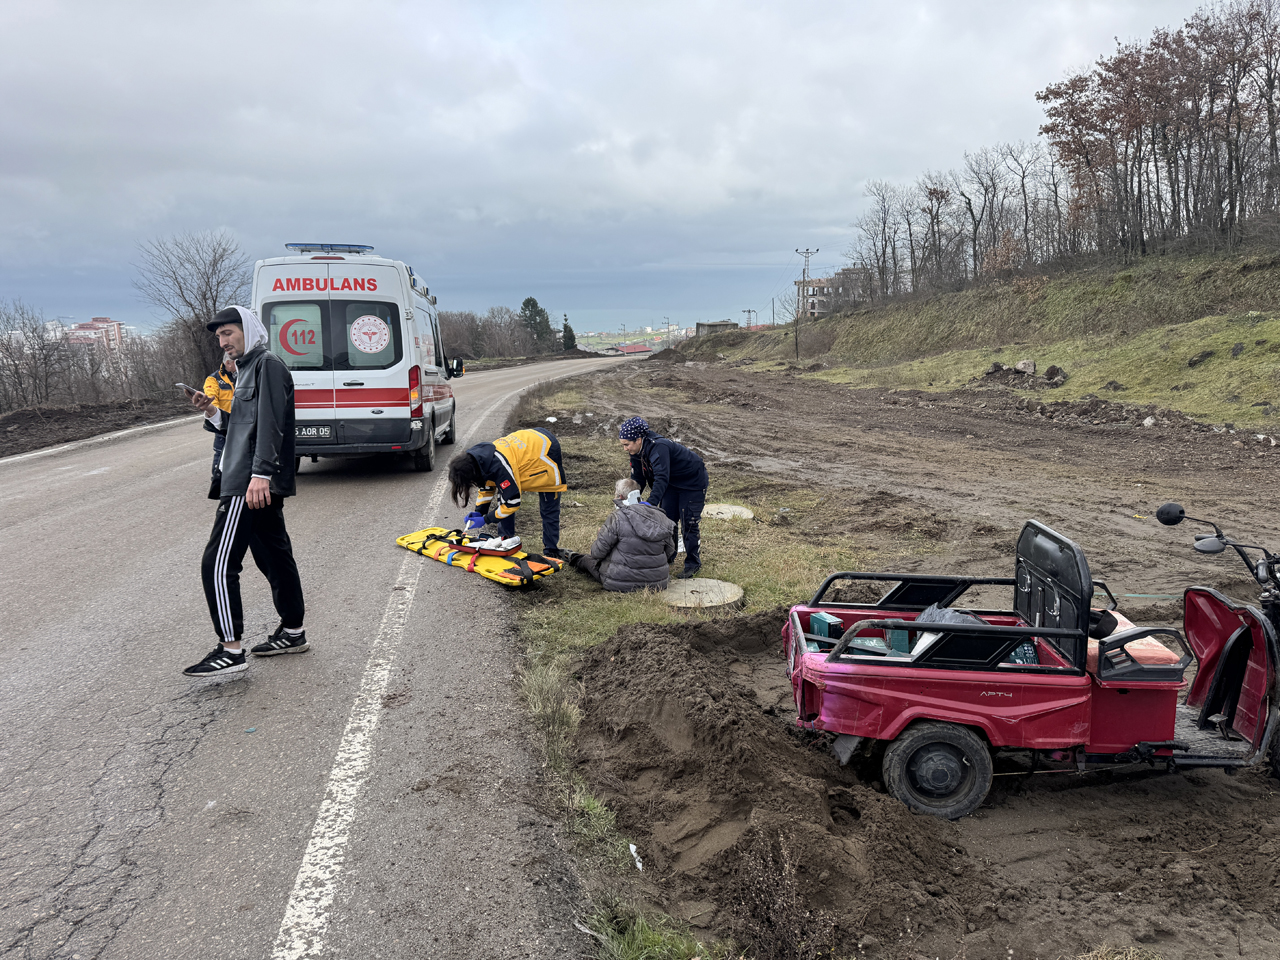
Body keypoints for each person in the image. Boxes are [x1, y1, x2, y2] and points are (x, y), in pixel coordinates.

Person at [184, 305, 307, 676]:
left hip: (248, 482)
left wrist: (261, 475)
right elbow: (240, 428)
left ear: (248, 330)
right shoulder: (245, 370)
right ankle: (293, 631)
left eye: (229, 333)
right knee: (273, 557)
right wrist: (211, 413)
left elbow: (271, 425)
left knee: (218, 564)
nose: (223, 342)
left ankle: (230, 650)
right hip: (251, 478)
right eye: (219, 336)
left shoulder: (266, 364)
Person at [448, 427, 567, 558]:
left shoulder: (500, 466)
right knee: (504, 499)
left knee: (548, 508)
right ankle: (506, 542)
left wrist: (486, 519)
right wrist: (480, 511)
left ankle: (551, 551)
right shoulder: (478, 460)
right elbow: (487, 484)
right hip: (529, 440)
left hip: (546, 451)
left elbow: (512, 502)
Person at [618, 416, 708, 579]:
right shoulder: (636, 452)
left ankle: (693, 564)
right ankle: (668, 557)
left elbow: (661, 478)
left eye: (626, 444)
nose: (625, 448)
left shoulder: (658, 447)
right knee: (667, 520)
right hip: (671, 485)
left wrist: (650, 504)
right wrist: (629, 497)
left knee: (689, 523)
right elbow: (639, 478)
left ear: (638, 439)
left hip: (691, 483)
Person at [568, 478, 676, 592]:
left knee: (586, 560)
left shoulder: (617, 518)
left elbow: (596, 553)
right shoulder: (661, 517)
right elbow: (670, 551)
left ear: (620, 496)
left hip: (620, 582)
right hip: (658, 581)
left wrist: (600, 536)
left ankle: (572, 558)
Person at [202, 353, 236, 482]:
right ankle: (218, 482)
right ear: (228, 363)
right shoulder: (213, 379)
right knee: (221, 454)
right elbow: (212, 401)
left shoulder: (244, 375)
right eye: (236, 363)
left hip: (243, 424)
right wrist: (218, 416)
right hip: (224, 425)